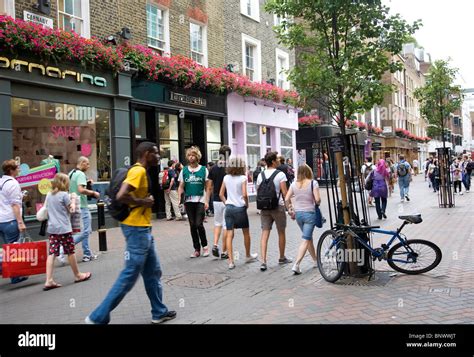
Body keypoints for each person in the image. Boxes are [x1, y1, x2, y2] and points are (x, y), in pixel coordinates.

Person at [86, 142, 176, 324]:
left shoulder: (138, 170)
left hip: (141, 229)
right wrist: (144, 202)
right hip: (136, 230)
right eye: (156, 153)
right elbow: (121, 195)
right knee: (129, 274)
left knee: (153, 272)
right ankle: (97, 316)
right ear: (146, 154)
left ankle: (159, 312)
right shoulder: (138, 171)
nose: (159, 157)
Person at [44, 173, 91, 290]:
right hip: (64, 228)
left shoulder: (49, 195)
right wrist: (74, 200)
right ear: (64, 183)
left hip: (52, 229)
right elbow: (72, 210)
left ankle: (48, 280)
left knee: (52, 253)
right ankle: (78, 275)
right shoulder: (64, 195)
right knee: (70, 251)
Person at [219, 157, 258, 269]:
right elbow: (245, 194)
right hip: (240, 207)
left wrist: (227, 203)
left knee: (229, 234)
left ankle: (231, 261)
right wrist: (246, 204)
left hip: (229, 208)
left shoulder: (226, 177)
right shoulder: (243, 178)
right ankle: (247, 255)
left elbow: (221, 194)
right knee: (246, 232)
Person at [256, 151, 292, 272]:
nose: (278, 161)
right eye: (276, 159)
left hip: (264, 207)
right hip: (278, 207)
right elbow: (285, 193)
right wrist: (290, 208)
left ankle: (263, 261)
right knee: (281, 232)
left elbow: (258, 190)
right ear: (272, 161)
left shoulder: (261, 175)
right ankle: (281, 257)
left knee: (265, 232)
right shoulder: (280, 174)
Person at [284, 164, 320, 275]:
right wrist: (316, 200)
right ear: (308, 171)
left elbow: (286, 198)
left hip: (299, 215)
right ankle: (297, 264)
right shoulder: (313, 183)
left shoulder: (294, 184)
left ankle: (315, 261)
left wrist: (290, 208)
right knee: (306, 239)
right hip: (309, 214)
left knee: (308, 238)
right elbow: (317, 200)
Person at [66, 157, 100, 262]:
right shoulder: (80, 174)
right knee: (86, 231)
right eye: (87, 164)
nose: (89, 166)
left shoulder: (71, 173)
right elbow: (80, 190)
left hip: (74, 205)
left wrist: (87, 181)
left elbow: (72, 187)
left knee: (82, 231)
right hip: (82, 206)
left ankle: (87, 254)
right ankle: (64, 248)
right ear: (82, 163)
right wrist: (93, 193)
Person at [178, 146, 210, 258]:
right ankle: (196, 249)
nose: (191, 157)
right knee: (192, 225)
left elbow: (208, 187)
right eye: (189, 155)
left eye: (193, 155)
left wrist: (207, 201)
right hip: (188, 201)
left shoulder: (203, 169)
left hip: (200, 200)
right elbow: (181, 186)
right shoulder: (184, 170)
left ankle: (205, 246)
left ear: (197, 157)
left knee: (198, 224)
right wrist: (179, 200)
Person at [0, 160, 28, 284]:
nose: (19, 170)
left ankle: (13, 274)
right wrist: (20, 222)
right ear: (11, 170)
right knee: (13, 249)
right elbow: (15, 205)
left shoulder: (1, 182)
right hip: (10, 220)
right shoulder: (13, 183)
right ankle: (15, 276)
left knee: (8, 249)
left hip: (1, 220)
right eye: (17, 168)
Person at [207, 145, 231, 259]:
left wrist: (207, 200)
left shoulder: (213, 168)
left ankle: (215, 245)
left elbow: (209, 186)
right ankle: (224, 251)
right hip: (228, 199)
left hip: (216, 199)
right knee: (226, 225)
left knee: (217, 224)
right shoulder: (231, 167)